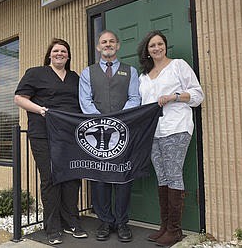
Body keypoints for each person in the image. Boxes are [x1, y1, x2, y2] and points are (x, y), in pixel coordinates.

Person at [14, 38, 87, 245]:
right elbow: (19, 99)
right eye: (56, 51)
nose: (59, 54)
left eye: (63, 51)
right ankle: (52, 227)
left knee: (72, 178)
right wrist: (41, 110)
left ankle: (71, 221)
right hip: (43, 134)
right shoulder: (35, 73)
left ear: (68, 55)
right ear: (49, 54)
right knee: (50, 179)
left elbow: (83, 103)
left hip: (69, 135)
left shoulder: (75, 78)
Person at [137, 30, 204, 247]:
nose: (156, 48)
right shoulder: (143, 77)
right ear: (147, 51)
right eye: (152, 46)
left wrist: (174, 97)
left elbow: (197, 95)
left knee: (174, 175)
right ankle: (164, 227)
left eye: (160, 44)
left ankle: (175, 230)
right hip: (153, 132)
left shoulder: (178, 66)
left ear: (165, 46)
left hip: (176, 127)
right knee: (162, 177)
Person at [79, 29, 141, 242]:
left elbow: (135, 98)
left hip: (122, 132)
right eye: (104, 42)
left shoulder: (130, 71)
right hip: (97, 134)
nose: (107, 45)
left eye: (111, 41)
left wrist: (119, 120)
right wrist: (102, 122)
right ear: (98, 47)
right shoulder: (88, 72)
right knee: (100, 178)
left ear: (118, 45)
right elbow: (85, 101)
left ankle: (122, 222)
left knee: (123, 177)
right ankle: (105, 221)